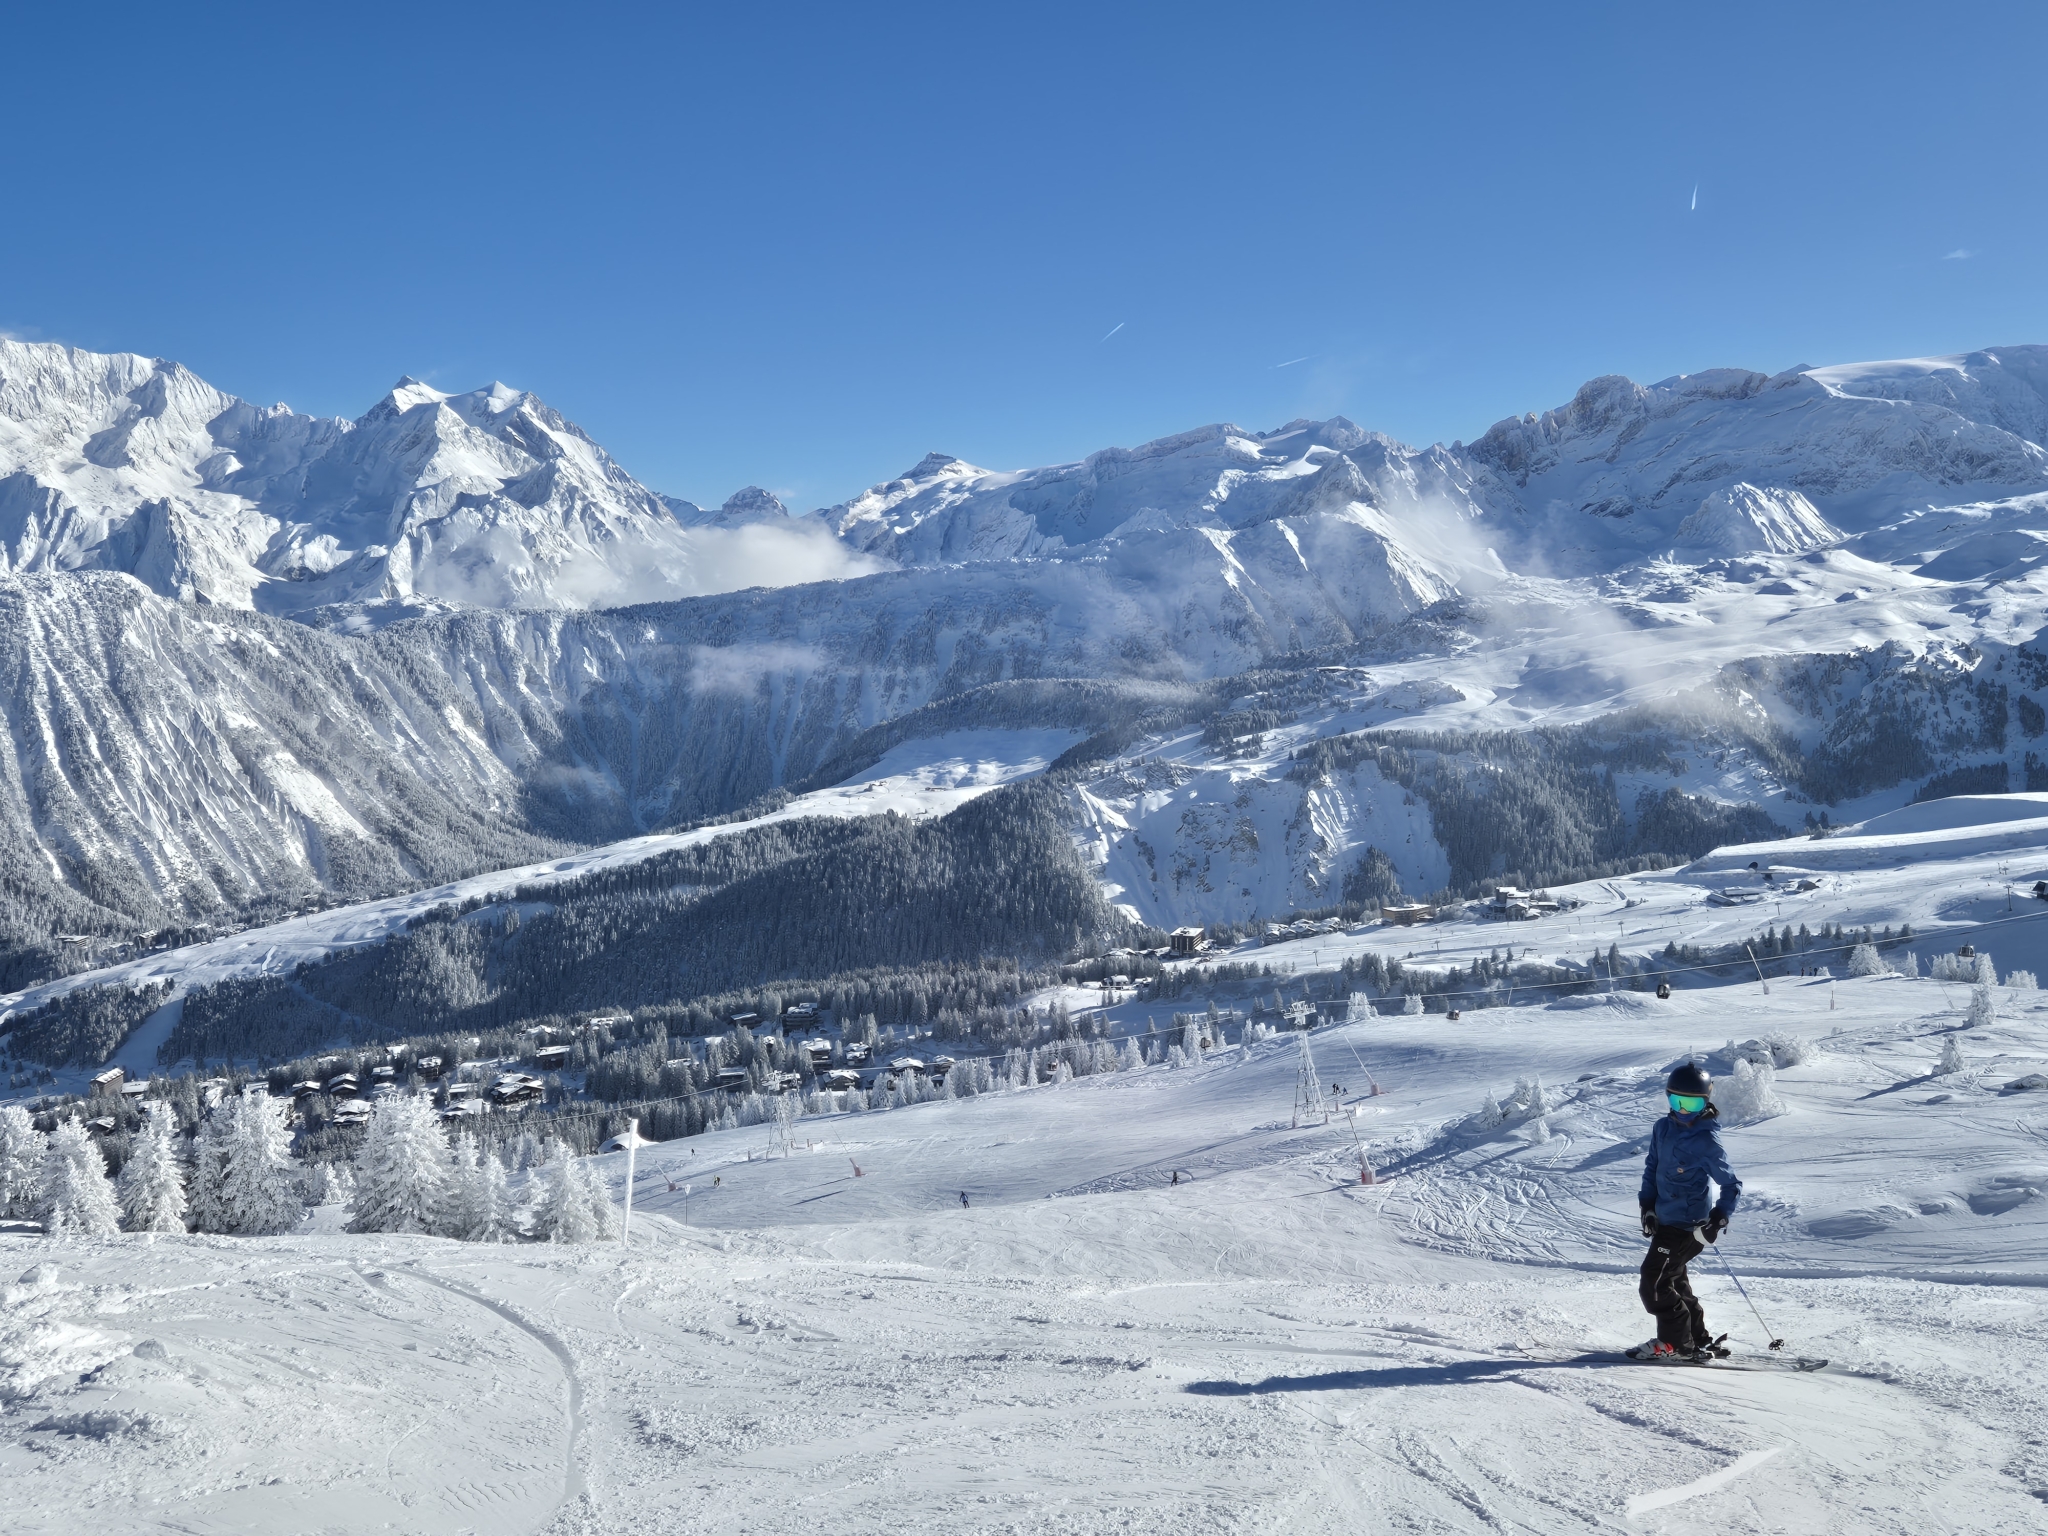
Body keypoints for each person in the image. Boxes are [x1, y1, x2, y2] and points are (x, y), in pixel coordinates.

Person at [1627, 1063, 1741, 1364]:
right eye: (1677, 1101)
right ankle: (1697, 1338)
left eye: (1692, 1104)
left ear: (1705, 1103)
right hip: (1665, 1221)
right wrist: (1647, 1207)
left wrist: (1718, 1219)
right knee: (1673, 1280)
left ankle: (1675, 1343)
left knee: (1654, 1282)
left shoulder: (1707, 1141)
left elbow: (1731, 1185)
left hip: (1690, 1228)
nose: (1683, 1110)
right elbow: (1652, 1169)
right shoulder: (1662, 1128)